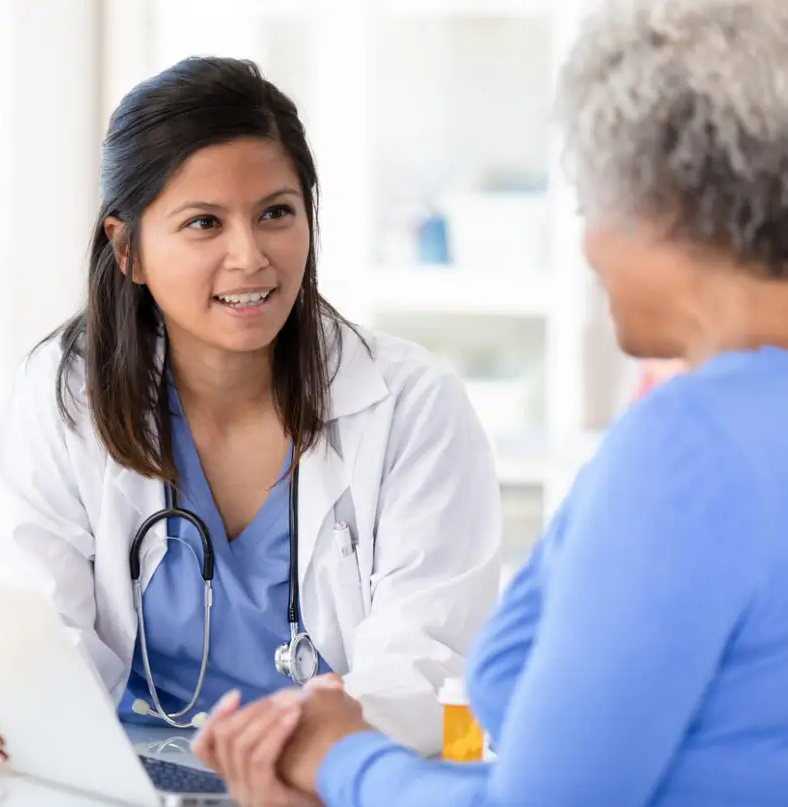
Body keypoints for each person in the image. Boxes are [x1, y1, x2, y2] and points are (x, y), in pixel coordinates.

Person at [191, 1, 788, 805]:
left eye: (587, 204)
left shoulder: (689, 451)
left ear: (667, 201)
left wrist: (341, 757)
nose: (586, 246)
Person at [0, 56, 502, 770]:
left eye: (276, 213)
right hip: (114, 785)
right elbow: (33, 640)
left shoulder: (413, 405)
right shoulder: (63, 396)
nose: (250, 256)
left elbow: (429, 662)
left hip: (330, 780)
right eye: (204, 223)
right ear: (127, 248)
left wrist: (291, 753)